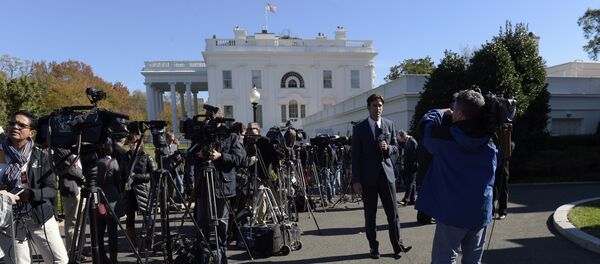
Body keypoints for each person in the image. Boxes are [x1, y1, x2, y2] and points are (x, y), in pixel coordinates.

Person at [415, 89, 499, 264]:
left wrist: (440, 111)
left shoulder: (444, 138)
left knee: (444, 259)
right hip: (480, 211)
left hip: (451, 213)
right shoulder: (491, 139)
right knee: (473, 261)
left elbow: (424, 126)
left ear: (460, 113)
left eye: (454, 109)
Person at [0, 111, 69, 264]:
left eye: (21, 125)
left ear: (32, 132)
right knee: (19, 261)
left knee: (60, 260)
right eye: (12, 123)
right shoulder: (0, 152)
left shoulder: (41, 156)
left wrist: (30, 194)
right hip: (10, 217)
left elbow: (51, 190)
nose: (15, 127)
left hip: (40, 216)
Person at [351, 94, 411, 259]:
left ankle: (398, 245)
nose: (378, 108)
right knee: (370, 215)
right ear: (368, 107)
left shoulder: (389, 124)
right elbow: (355, 156)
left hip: (387, 176)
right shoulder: (359, 128)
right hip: (368, 179)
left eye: (380, 105)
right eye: (374, 105)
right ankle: (374, 247)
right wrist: (356, 180)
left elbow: (396, 150)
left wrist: (388, 148)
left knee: (393, 214)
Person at [191, 122, 245, 262]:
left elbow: (240, 158)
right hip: (203, 184)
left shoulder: (231, 137)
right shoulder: (201, 136)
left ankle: (220, 252)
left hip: (222, 185)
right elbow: (190, 156)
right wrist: (199, 155)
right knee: (202, 220)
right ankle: (202, 252)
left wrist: (221, 156)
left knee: (221, 221)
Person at [123, 133, 153, 246]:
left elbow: (152, 174)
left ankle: (148, 240)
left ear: (139, 143)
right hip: (129, 190)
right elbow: (122, 173)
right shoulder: (125, 156)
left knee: (147, 215)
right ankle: (132, 243)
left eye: (133, 142)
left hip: (143, 190)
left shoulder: (146, 156)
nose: (131, 145)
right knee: (129, 217)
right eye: (130, 142)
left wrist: (137, 176)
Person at [96, 142, 121, 263]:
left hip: (99, 198)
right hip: (112, 199)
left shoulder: (98, 162)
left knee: (99, 231)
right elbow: (118, 181)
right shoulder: (114, 163)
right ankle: (113, 258)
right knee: (112, 232)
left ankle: (101, 256)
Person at [398, 130, 418, 206]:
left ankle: (406, 199)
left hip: (412, 166)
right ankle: (412, 200)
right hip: (409, 165)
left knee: (410, 182)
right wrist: (404, 156)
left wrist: (408, 158)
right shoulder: (407, 141)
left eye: (400, 139)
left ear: (403, 136)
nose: (401, 141)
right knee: (412, 183)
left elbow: (416, 154)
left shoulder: (412, 141)